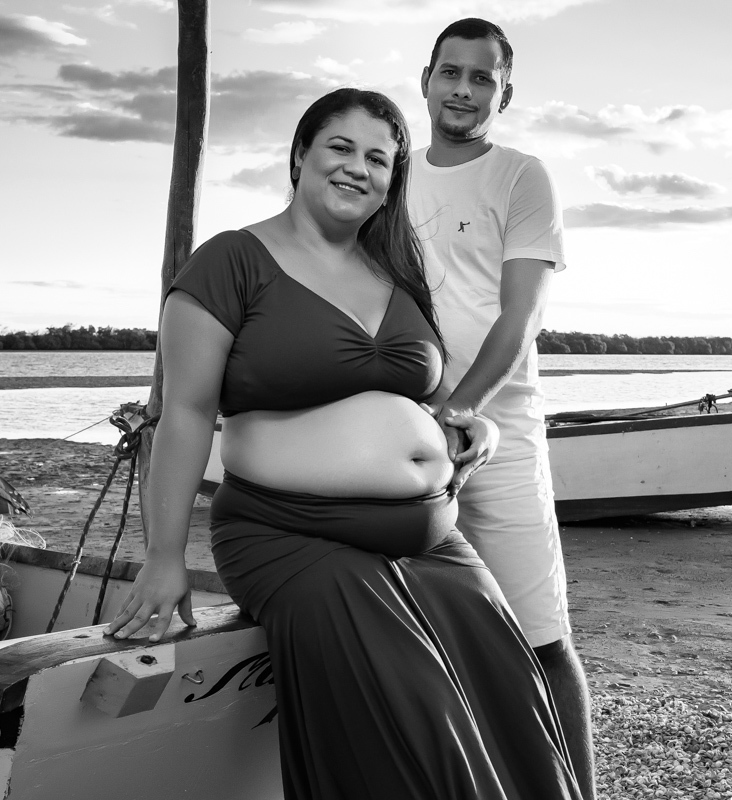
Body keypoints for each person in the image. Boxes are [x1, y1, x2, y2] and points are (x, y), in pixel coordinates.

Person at [105, 88, 583, 800]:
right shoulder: (231, 262)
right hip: (291, 535)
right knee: (417, 702)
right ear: (299, 156)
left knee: (511, 683)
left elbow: (413, 398)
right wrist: (166, 557)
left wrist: (467, 424)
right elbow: (187, 413)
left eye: (380, 159)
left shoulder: (396, 271)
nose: (359, 169)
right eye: (340, 148)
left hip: (428, 539)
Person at [407, 18, 595, 798]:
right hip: (400, 436)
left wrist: (460, 408)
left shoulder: (522, 176)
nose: (462, 88)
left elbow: (520, 319)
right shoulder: (390, 175)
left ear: (504, 93)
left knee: (541, 634)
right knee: (417, 636)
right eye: (450, 72)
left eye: (481, 78)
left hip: (501, 431)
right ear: (425, 80)